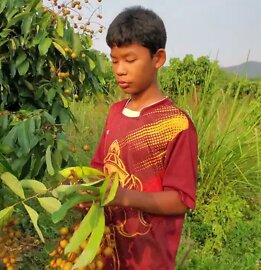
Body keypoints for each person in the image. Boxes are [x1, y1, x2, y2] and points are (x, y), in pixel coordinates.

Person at [90, 6, 198, 270]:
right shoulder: (115, 113)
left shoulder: (176, 124)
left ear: (158, 58)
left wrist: (121, 196)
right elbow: (98, 168)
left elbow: (180, 199)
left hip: (148, 259)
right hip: (106, 250)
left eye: (129, 59)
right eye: (115, 60)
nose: (120, 70)